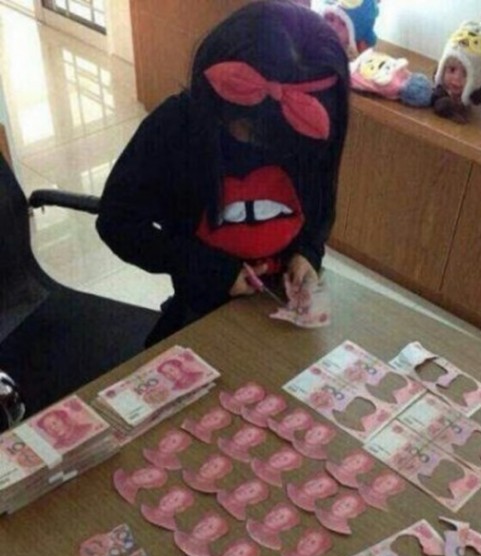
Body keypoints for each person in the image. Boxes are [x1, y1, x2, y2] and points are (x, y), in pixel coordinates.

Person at [96, 1, 350, 346]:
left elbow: (319, 209)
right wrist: (207, 270)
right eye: (249, 130)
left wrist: (308, 251)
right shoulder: (176, 128)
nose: (262, 146)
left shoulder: (309, 138)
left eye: (278, 142)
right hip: (201, 311)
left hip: (280, 307)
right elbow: (116, 221)